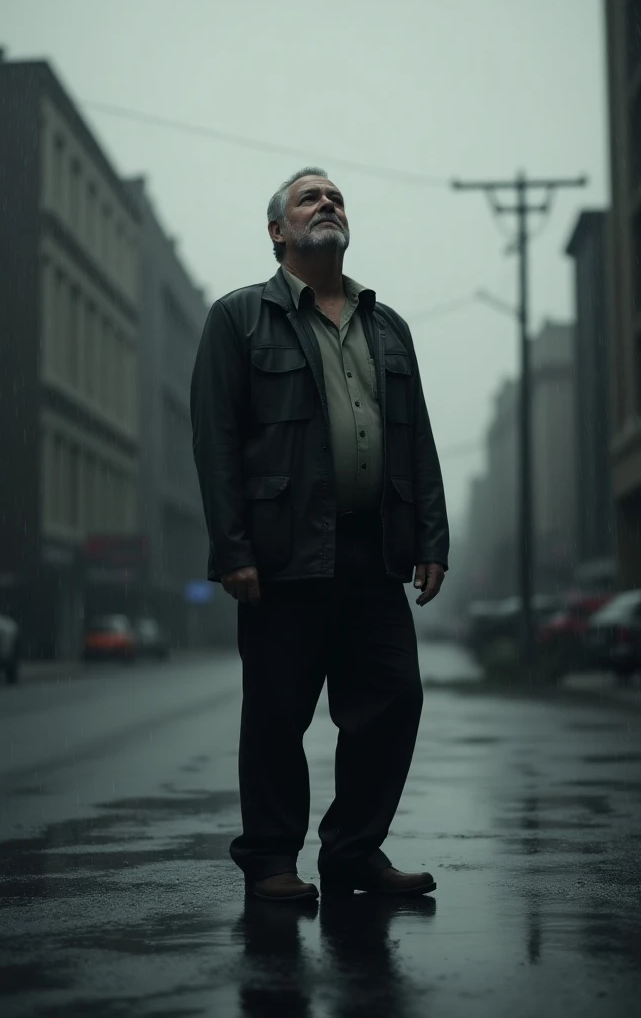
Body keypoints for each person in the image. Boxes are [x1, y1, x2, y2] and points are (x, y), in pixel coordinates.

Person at [191, 167, 449, 902]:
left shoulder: (386, 324)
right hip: (281, 551)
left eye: (335, 196)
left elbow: (417, 440)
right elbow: (216, 440)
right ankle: (272, 860)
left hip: (374, 548)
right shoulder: (238, 319)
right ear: (278, 231)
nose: (327, 203)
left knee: (393, 700)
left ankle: (352, 851)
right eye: (310, 197)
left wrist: (432, 536)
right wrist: (231, 548)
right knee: (277, 711)